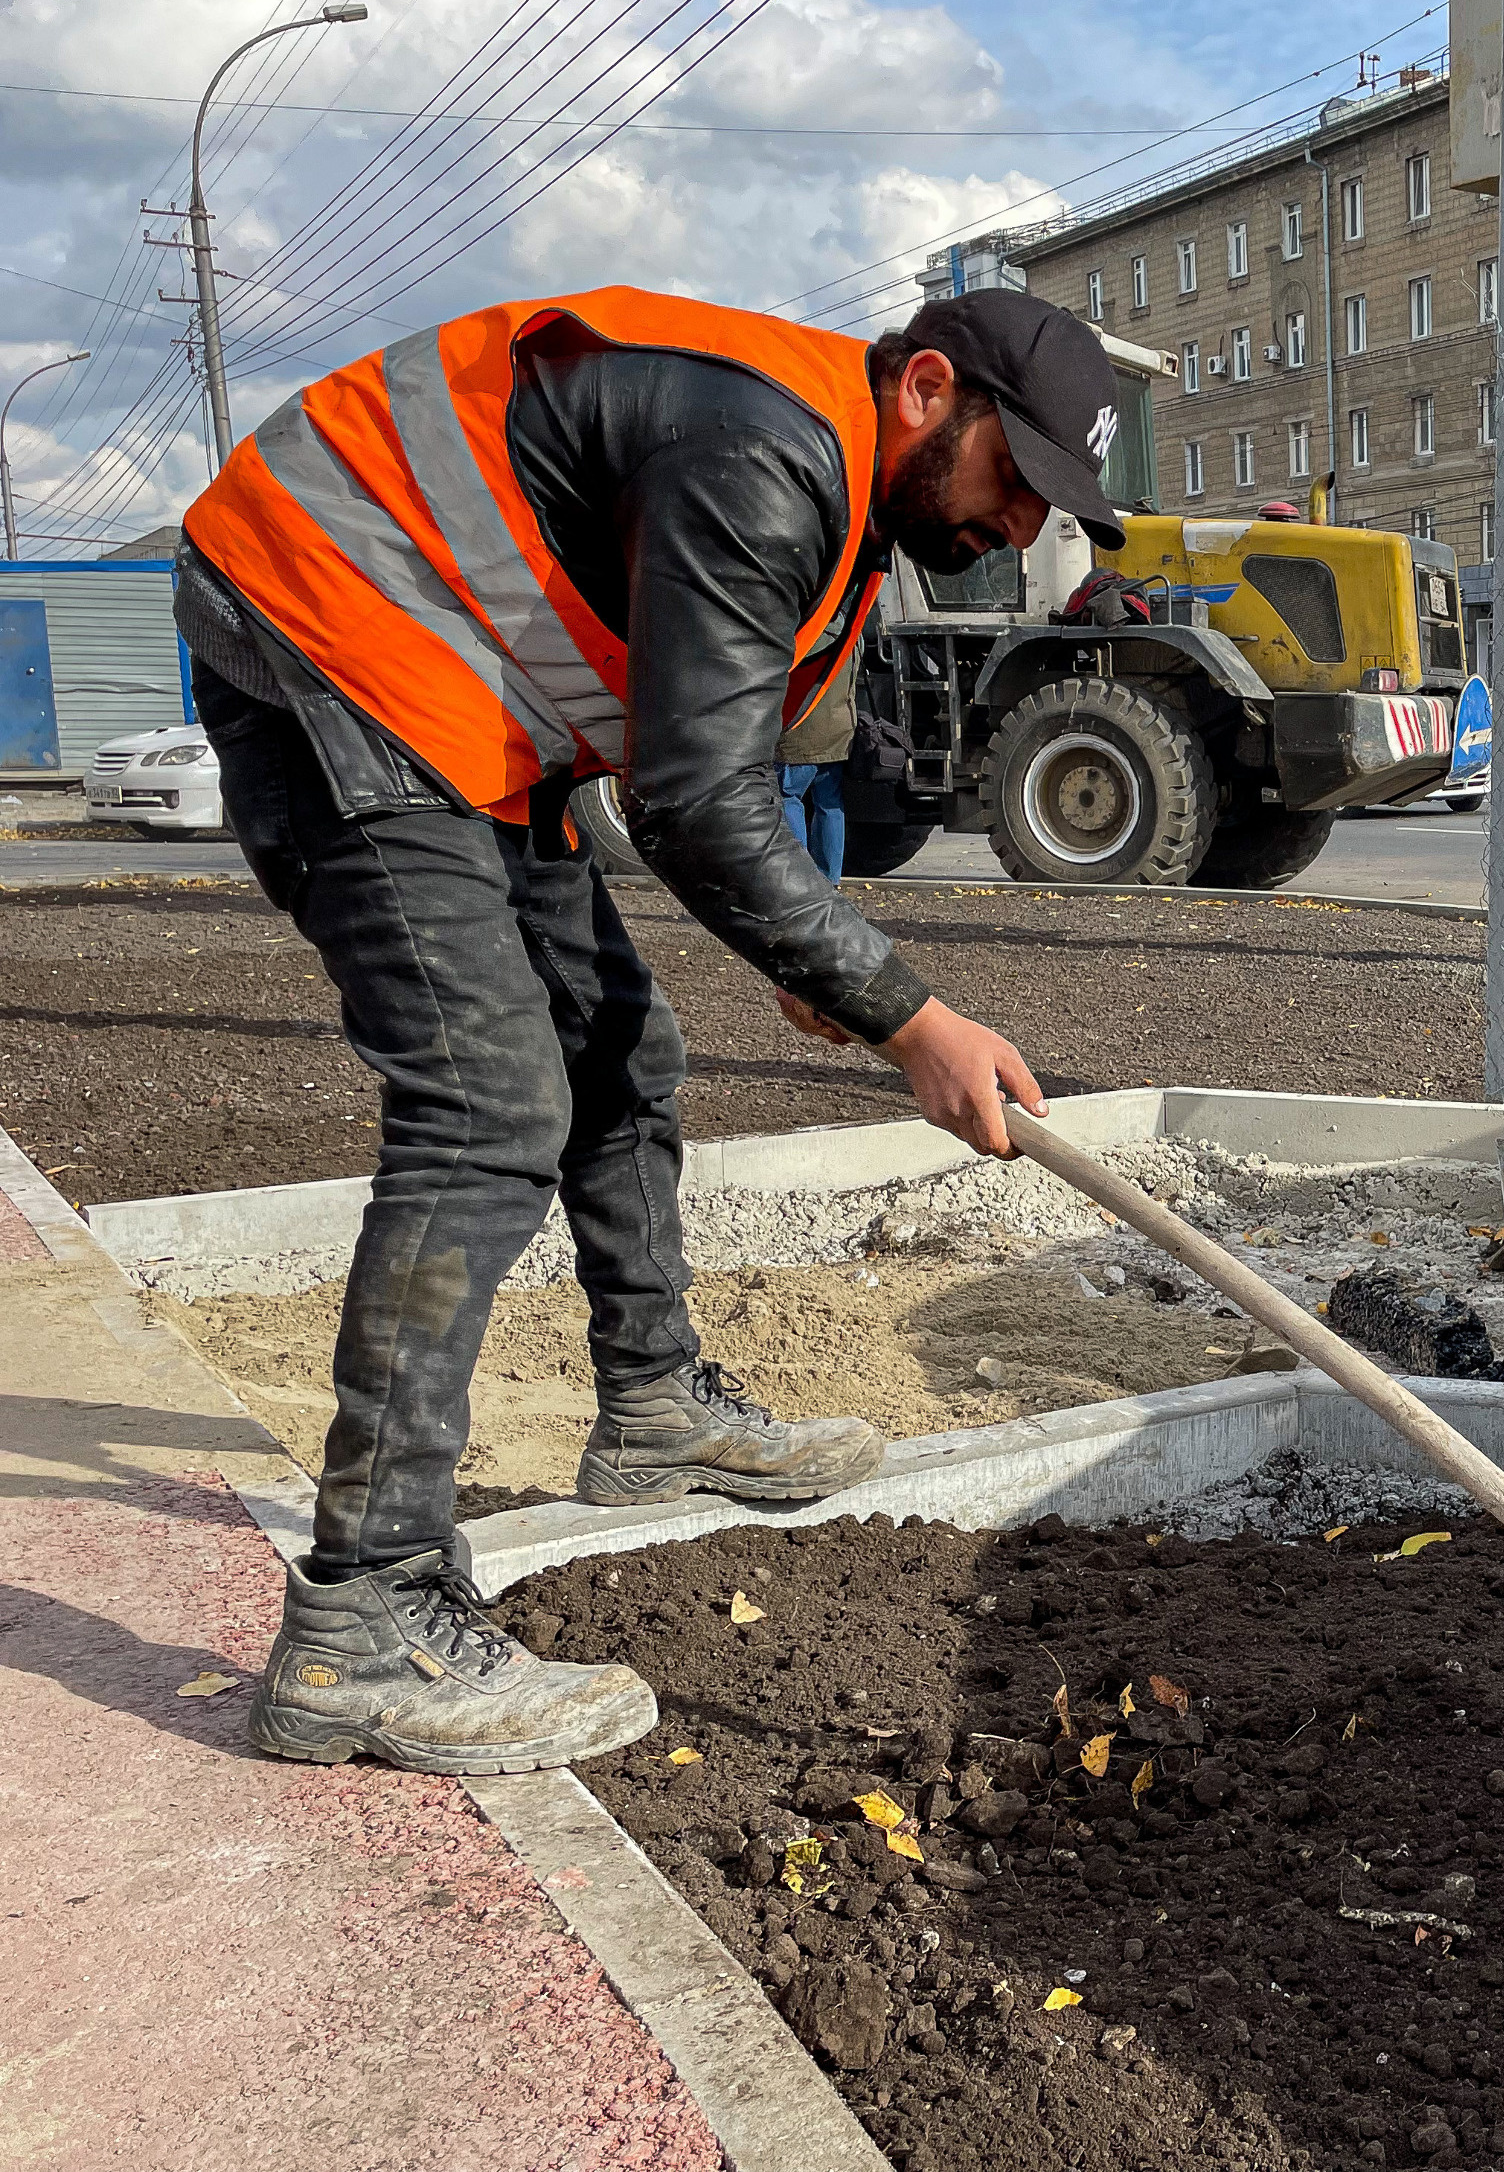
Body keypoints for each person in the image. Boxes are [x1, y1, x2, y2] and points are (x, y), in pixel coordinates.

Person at [175, 284, 1111, 1776]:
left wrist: (817, 958)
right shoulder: (765, 450)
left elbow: (697, 770)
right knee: (488, 1102)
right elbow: (694, 804)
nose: (1015, 532)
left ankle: (655, 1404)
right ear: (929, 389)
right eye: (1018, 481)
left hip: (462, 696)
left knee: (620, 1045)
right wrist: (906, 1017)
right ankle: (361, 1621)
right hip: (331, 625)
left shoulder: (841, 510)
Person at [774, 649, 855, 881]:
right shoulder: (851, 633)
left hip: (800, 731)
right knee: (830, 804)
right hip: (839, 729)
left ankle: (799, 875)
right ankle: (830, 878)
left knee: (789, 797)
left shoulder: (803, 635)